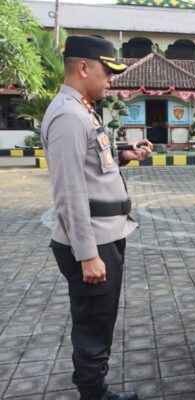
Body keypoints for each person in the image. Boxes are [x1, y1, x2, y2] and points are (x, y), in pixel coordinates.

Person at [41, 36, 153, 400]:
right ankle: (93, 394)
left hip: (106, 235)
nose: (110, 80)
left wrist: (124, 156)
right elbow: (69, 190)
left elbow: (90, 167)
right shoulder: (69, 116)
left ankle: (95, 388)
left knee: (100, 320)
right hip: (93, 241)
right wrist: (87, 253)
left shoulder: (82, 109)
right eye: (107, 72)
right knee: (93, 324)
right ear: (84, 68)